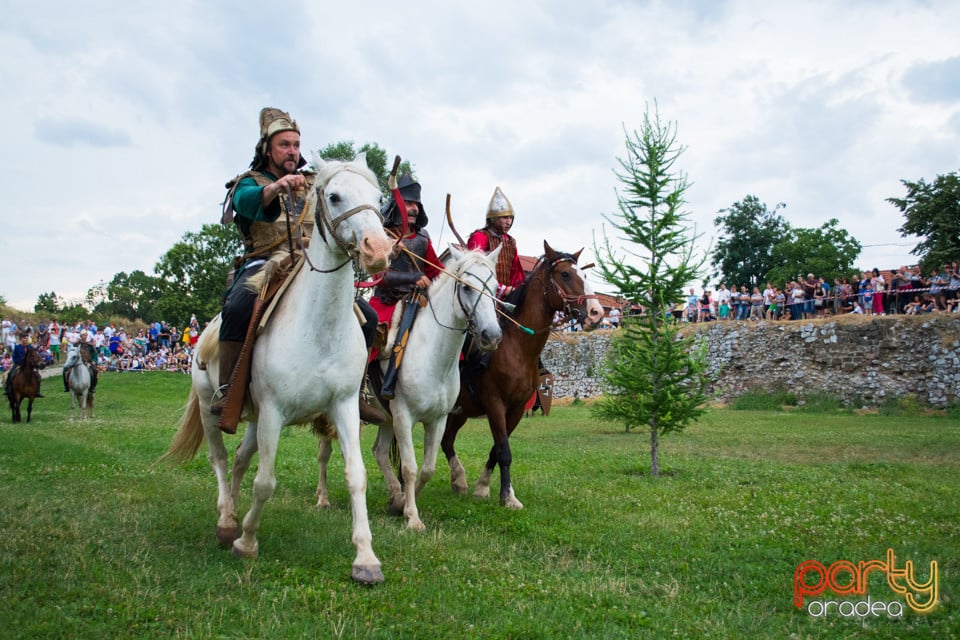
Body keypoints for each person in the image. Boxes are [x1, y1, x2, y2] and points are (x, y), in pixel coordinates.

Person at [211, 107, 319, 417]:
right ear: (267, 149)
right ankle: (227, 388)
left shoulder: (312, 182)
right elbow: (246, 202)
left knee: (362, 315)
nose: (292, 151)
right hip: (264, 263)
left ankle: (358, 389)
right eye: (284, 145)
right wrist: (273, 188)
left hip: (310, 265)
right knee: (236, 308)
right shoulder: (248, 181)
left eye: (296, 145)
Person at [369, 172, 442, 399]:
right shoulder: (382, 236)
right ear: (397, 205)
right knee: (367, 339)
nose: (414, 209)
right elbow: (380, 277)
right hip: (387, 302)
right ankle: (360, 390)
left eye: (417, 204)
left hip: (418, 301)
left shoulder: (423, 239)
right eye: (409, 203)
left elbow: (437, 271)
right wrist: (413, 278)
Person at [467, 186, 525, 298]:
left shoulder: (510, 242)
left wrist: (519, 291)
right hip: (482, 296)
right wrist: (501, 290)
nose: (509, 222)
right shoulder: (480, 237)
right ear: (493, 218)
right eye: (504, 217)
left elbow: (517, 275)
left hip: (507, 299)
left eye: (510, 218)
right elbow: (474, 271)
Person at [5, 333, 44, 398]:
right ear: (21, 339)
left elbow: (34, 356)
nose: (26, 340)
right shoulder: (17, 347)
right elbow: (14, 357)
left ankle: (37, 391)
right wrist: (19, 362)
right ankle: (9, 389)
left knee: (38, 376)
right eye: (24, 338)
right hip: (19, 364)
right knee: (10, 374)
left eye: (27, 338)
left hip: (29, 366)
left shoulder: (30, 347)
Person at [63, 330, 98, 396]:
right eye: (84, 335)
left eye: (86, 335)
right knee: (65, 370)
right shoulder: (76, 344)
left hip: (88, 362)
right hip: (77, 362)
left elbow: (94, 354)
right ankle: (66, 386)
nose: (85, 336)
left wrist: (94, 361)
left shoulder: (90, 345)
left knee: (95, 371)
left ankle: (92, 387)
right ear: (81, 336)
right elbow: (72, 353)